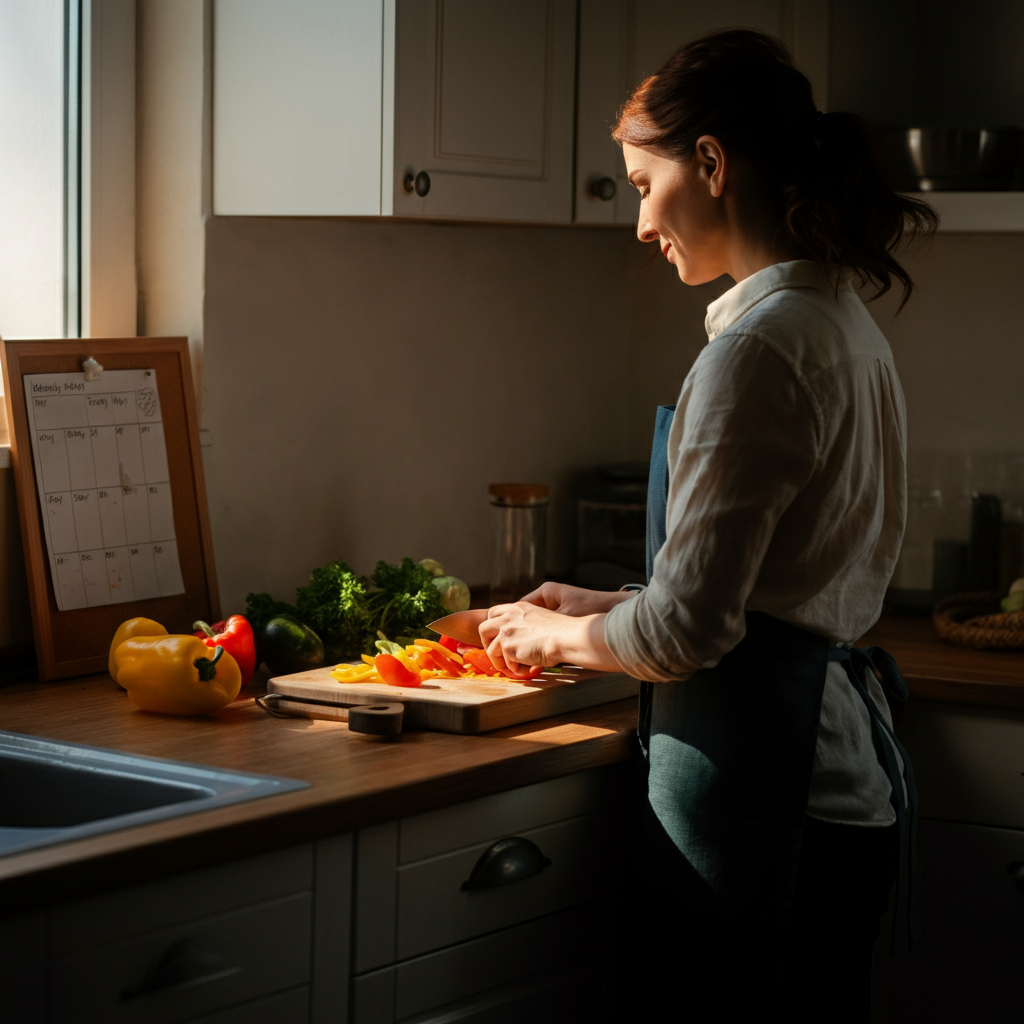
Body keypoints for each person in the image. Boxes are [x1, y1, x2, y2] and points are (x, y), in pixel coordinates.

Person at [478, 29, 936, 1023]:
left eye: (645, 184)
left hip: (769, 794)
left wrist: (558, 635)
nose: (640, 223)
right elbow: (770, 585)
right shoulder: (840, 324)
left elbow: (692, 635)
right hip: (837, 779)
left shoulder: (756, 352)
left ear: (714, 164)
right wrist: (612, 604)